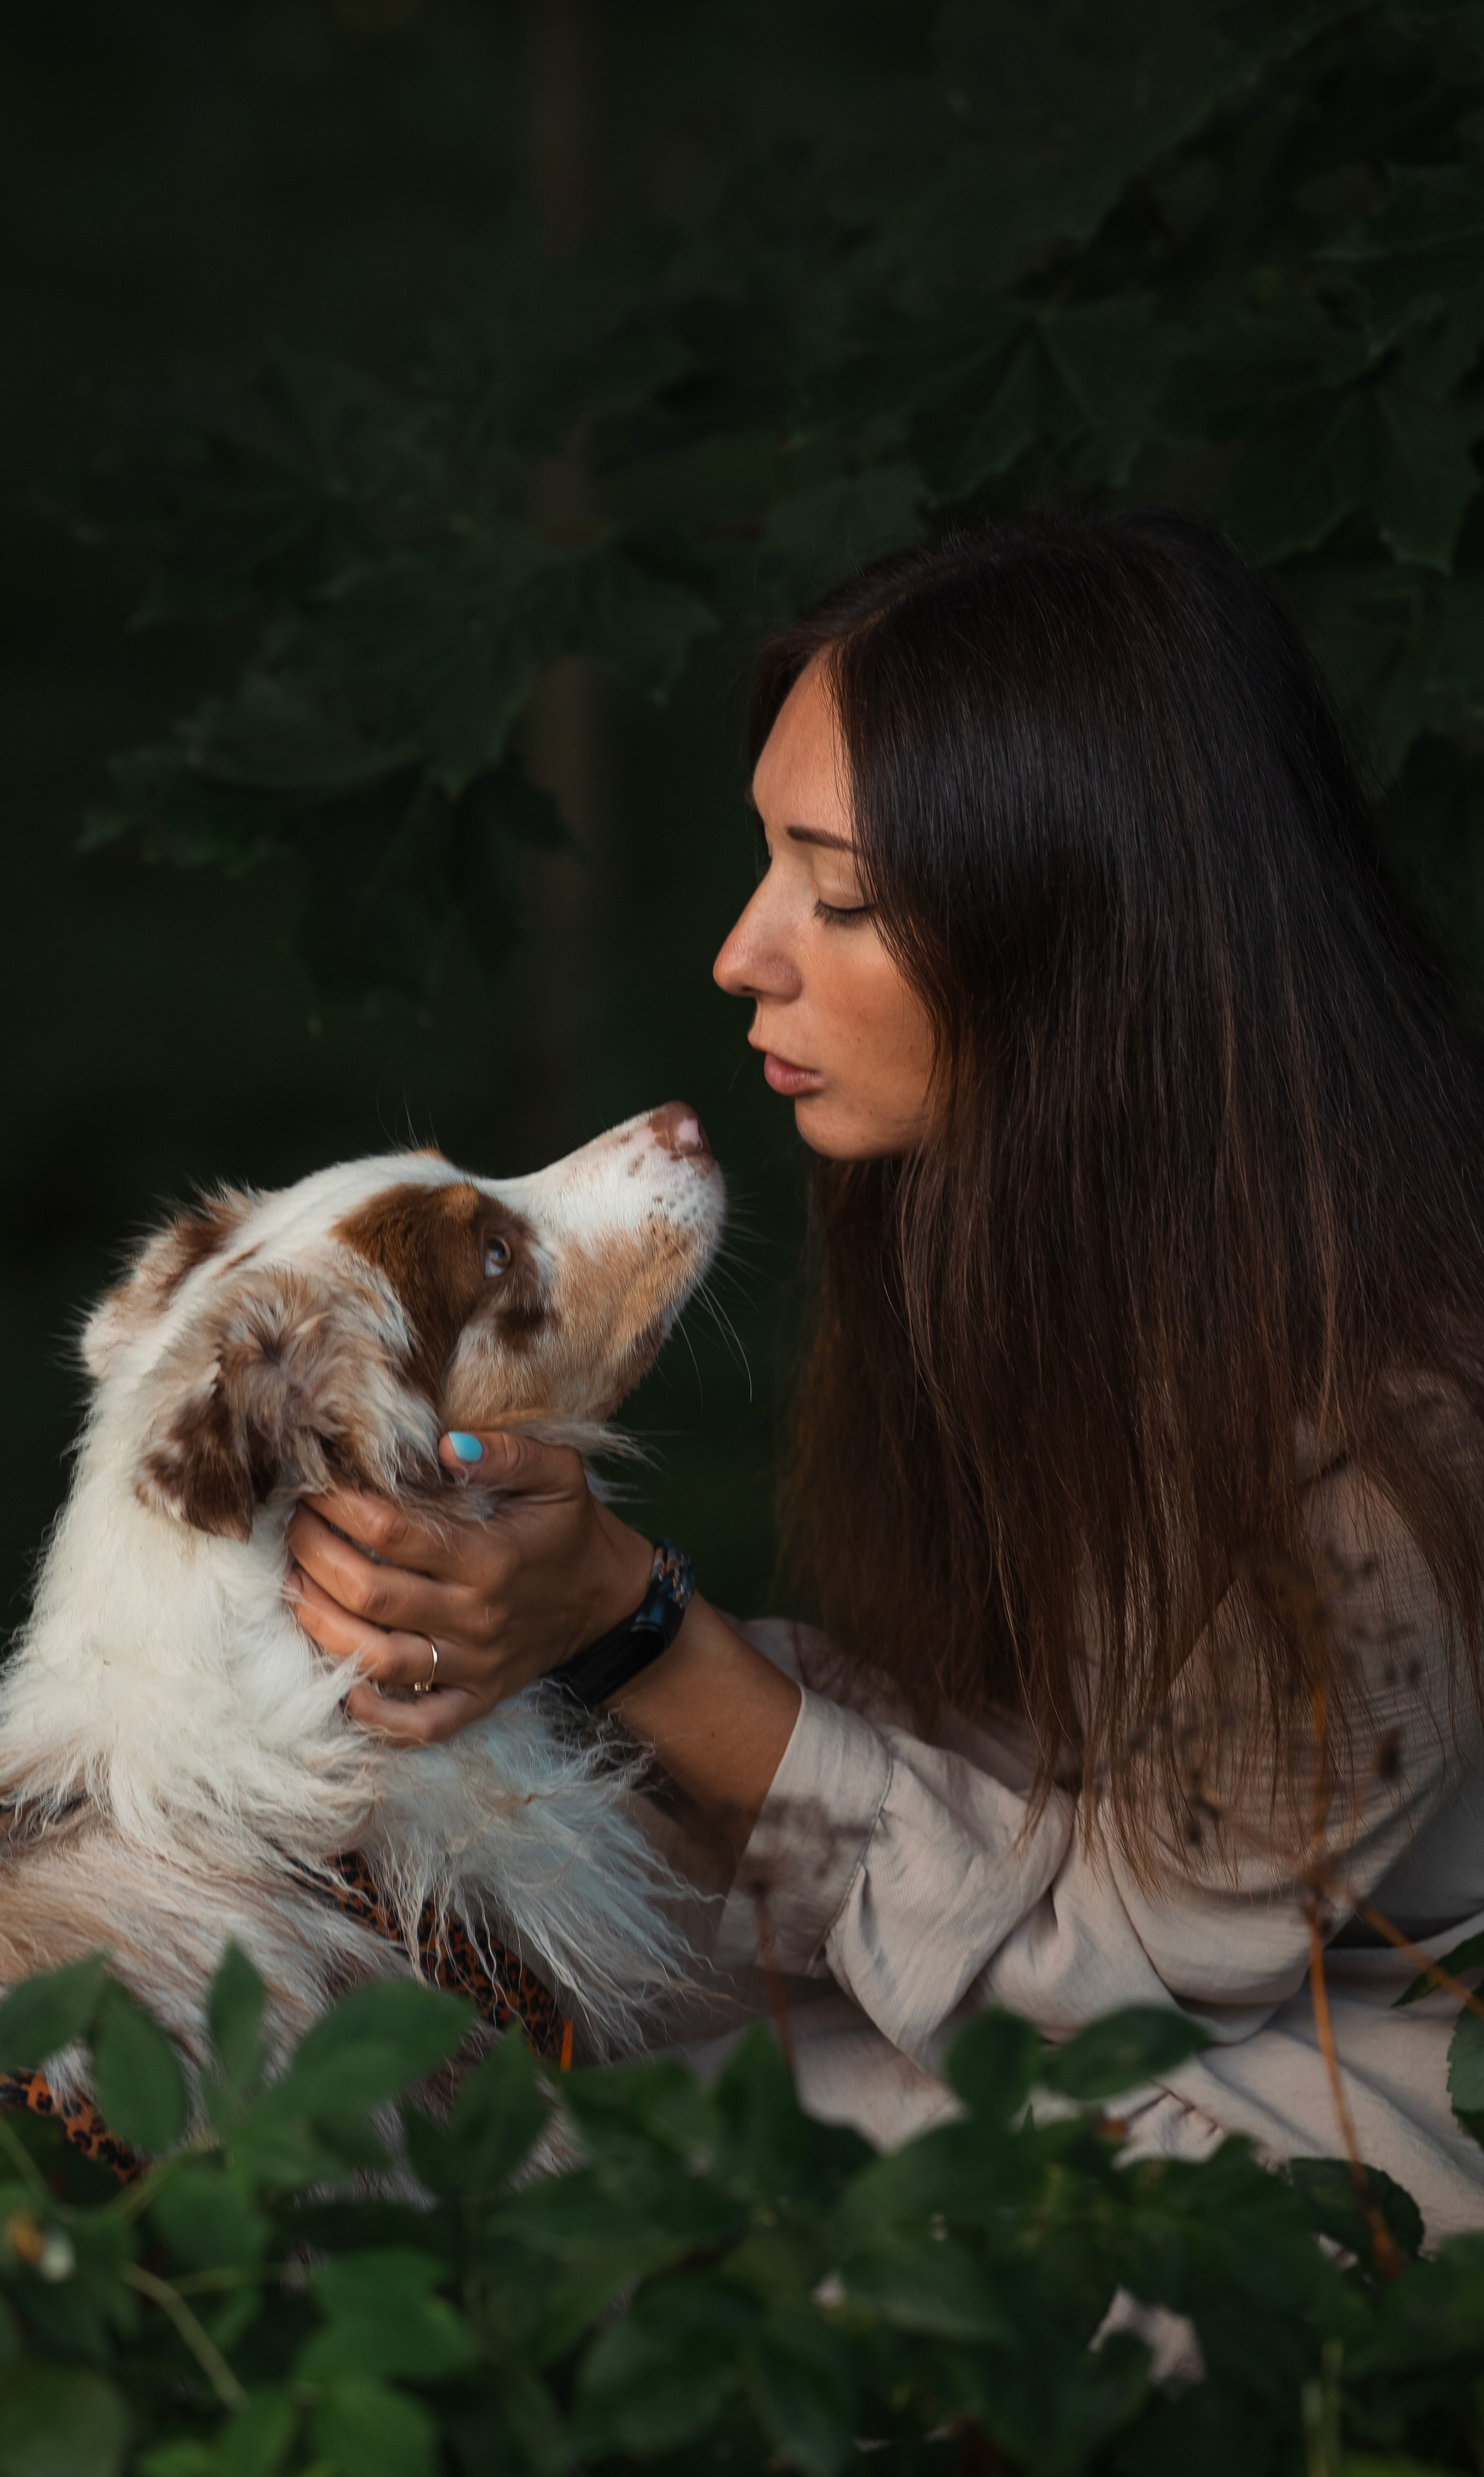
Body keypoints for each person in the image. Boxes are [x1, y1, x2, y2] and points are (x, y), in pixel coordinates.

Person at [284, 512, 1484, 2237]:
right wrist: (516, 1654)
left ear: (1079, 940)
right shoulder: (1061, 1249)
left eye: (841, 894)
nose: (745, 950)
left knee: (581, 2190)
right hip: (1106, 1999)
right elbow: (1002, 1752)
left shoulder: (1394, 1406)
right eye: (771, 861)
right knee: (460, 2066)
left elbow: (1136, 1971)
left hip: (1324, 2080)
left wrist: (630, 1636)